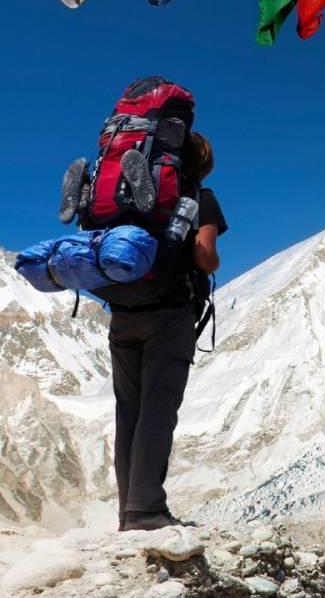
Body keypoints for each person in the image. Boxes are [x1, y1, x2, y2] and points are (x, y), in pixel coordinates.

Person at [110, 130, 227, 531]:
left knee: (129, 412)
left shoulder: (132, 200)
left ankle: (130, 511)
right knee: (158, 412)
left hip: (123, 310)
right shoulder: (201, 198)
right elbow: (205, 257)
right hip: (170, 315)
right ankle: (146, 512)